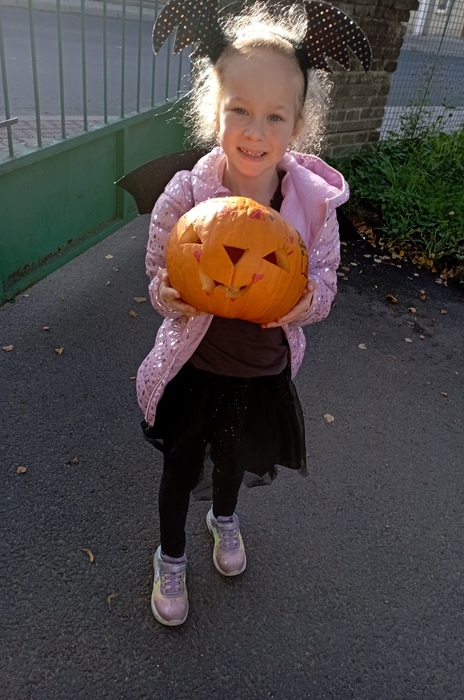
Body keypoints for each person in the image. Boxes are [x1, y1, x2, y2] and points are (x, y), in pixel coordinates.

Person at [136, 0, 372, 626]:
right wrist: (167, 294)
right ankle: (171, 555)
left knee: (234, 459)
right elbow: (160, 266)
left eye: (274, 115)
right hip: (195, 369)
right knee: (180, 465)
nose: (254, 130)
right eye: (239, 109)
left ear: (297, 125)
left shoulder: (312, 207)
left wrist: (303, 302)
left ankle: (225, 518)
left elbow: (324, 282)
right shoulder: (187, 192)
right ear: (215, 110)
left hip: (261, 373)